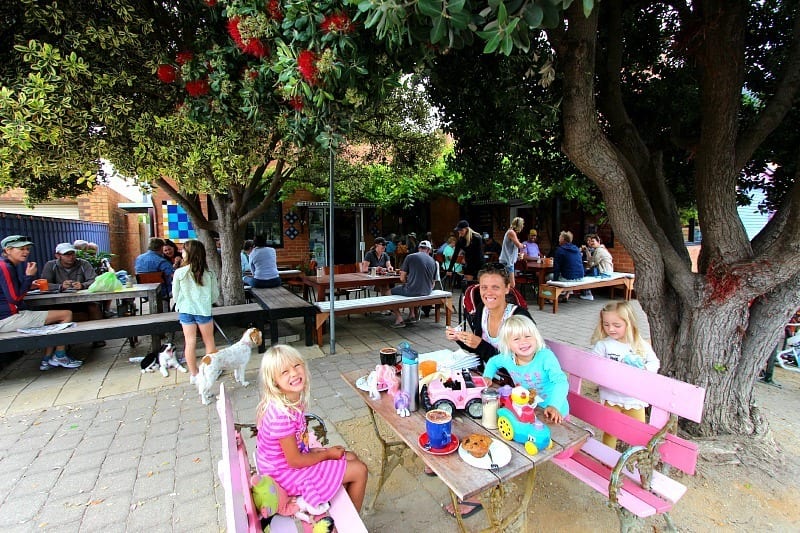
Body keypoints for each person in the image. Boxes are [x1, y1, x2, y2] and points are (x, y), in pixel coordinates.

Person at [255, 344, 368, 514]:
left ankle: (339, 514)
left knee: (350, 457)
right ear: (274, 382)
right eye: (284, 372)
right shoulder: (282, 416)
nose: (293, 373)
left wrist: (317, 453)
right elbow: (295, 461)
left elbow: (294, 450)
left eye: (296, 365)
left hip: (284, 467)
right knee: (359, 470)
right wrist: (326, 454)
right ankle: (351, 524)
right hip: (284, 476)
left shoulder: (289, 401)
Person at [0, 235, 81, 371]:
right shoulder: (5, 267)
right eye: (21, 249)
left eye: (27, 249)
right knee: (66, 314)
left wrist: (30, 284)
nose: (26, 252)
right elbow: (15, 298)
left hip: (8, 316)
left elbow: (11, 290)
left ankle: (47, 359)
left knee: (53, 320)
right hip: (7, 318)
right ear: (8, 250)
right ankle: (60, 356)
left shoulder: (6, 265)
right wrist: (29, 276)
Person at [590, 301, 660, 449]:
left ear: (629, 323)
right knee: (610, 431)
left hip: (635, 398)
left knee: (638, 432)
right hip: (611, 397)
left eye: (617, 325)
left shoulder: (639, 344)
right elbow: (593, 364)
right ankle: (606, 460)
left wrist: (644, 370)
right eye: (606, 324)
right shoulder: (603, 345)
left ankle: (636, 460)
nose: (611, 329)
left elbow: (655, 362)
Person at [483, 314, 569, 422]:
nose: (523, 342)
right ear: (508, 344)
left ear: (536, 337)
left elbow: (561, 381)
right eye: (516, 339)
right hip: (528, 408)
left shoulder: (546, 357)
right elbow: (493, 362)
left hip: (555, 411)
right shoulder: (507, 357)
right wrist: (487, 376)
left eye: (528, 336)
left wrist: (554, 405)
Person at [445, 262, 532, 363]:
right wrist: (460, 338)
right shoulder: (482, 309)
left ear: (507, 288)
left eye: (495, 287)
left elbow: (522, 364)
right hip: (487, 373)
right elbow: (479, 349)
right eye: (484, 287)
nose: (489, 293)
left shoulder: (519, 318)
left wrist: (480, 345)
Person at [41, 243, 108, 346]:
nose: (71, 257)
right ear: (58, 256)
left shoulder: (83, 264)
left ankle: (98, 337)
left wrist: (82, 285)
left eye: (72, 253)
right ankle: (58, 342)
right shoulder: (50, 265)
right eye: (67, 254)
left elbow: (94, 280)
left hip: (82, 300)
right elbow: (44, 284)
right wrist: (60, 286)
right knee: (51, 309)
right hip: (60, 302)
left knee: (94, 306)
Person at [172, 239, 219, 382]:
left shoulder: (179, 273)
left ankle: (194, 374)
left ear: (188, 253)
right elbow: (215, 295)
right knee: (209, 341)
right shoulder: (209, 273)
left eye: (183, 250)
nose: (182, 252)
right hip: (203, 311)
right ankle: (210, 371)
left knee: (190, 342)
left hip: (185, 311)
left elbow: (175, 295)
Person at [389, 240, 437, 328]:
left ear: (419, 248)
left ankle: (399, 319)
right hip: (427, 291)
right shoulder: (433, 261)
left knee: (389, 292)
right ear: (429, 250)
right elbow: (433, 284)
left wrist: (407, 282)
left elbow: (402, 278)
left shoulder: (410, 257)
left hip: (413, 291)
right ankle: (411, 315)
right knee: (410, 288)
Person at [550, 231, 584, 302]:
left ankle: (551, 298)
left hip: (569, 278)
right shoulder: (576, 249)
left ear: (563, 239)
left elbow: (556, 268)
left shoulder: (560, 250)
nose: (558, 240)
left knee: (547, 276)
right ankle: (566, 295)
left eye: (559, 238)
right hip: (580, 277)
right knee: (571, 274)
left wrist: (554, 281)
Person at [580, 233, 614, 301]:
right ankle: (585, 292)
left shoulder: (599, 250)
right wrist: (587, 251)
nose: (591, 243)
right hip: (606, 271)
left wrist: (588, 263)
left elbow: (592, 263)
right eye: (590, 241)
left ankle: (587, 294)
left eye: (593, 241)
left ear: (598, 241)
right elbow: (591, 260)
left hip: (604, 273)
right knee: (584, 272)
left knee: (583, 274)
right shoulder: (598, 249)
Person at [498, 217, 525, 288]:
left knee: (507, 283)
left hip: (508, 261)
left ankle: (505, 297)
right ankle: (505, 297)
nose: (523, 226)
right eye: (522, 225)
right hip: (507, 261)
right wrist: (524, 245)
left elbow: (511, 248)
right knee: (511, 284)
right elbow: (518, 245)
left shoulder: (512, 233)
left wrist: (517, 255)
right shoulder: (511, 232)